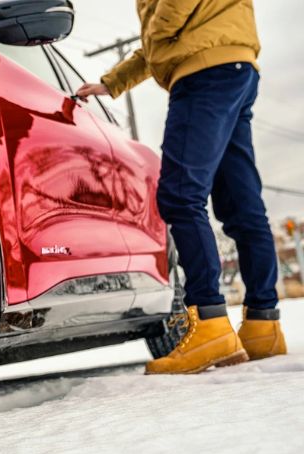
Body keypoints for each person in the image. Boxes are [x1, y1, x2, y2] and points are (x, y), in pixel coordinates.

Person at [77, 0, 287, 374]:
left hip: (203, 73)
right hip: (234, 64)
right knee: (241, 205)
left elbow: (167, 22)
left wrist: (157, 38)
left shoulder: (177, 32)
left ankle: (209, 322)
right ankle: (263, 324)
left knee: (179, 196)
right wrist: (112, 83)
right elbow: (161, 38)